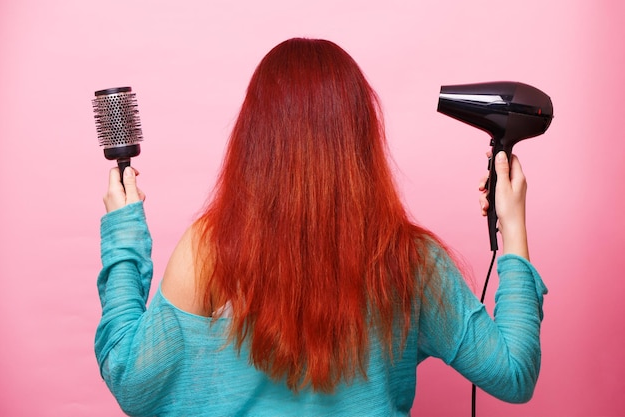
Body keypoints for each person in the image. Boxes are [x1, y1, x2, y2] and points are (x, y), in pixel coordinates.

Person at [95, 38, 547, 416]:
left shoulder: (210, 249)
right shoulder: (412, 262)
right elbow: (513, 373)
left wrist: (124, 235)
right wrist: (514, 229)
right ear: (362, 138)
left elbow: (134, 386)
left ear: (254, 137)